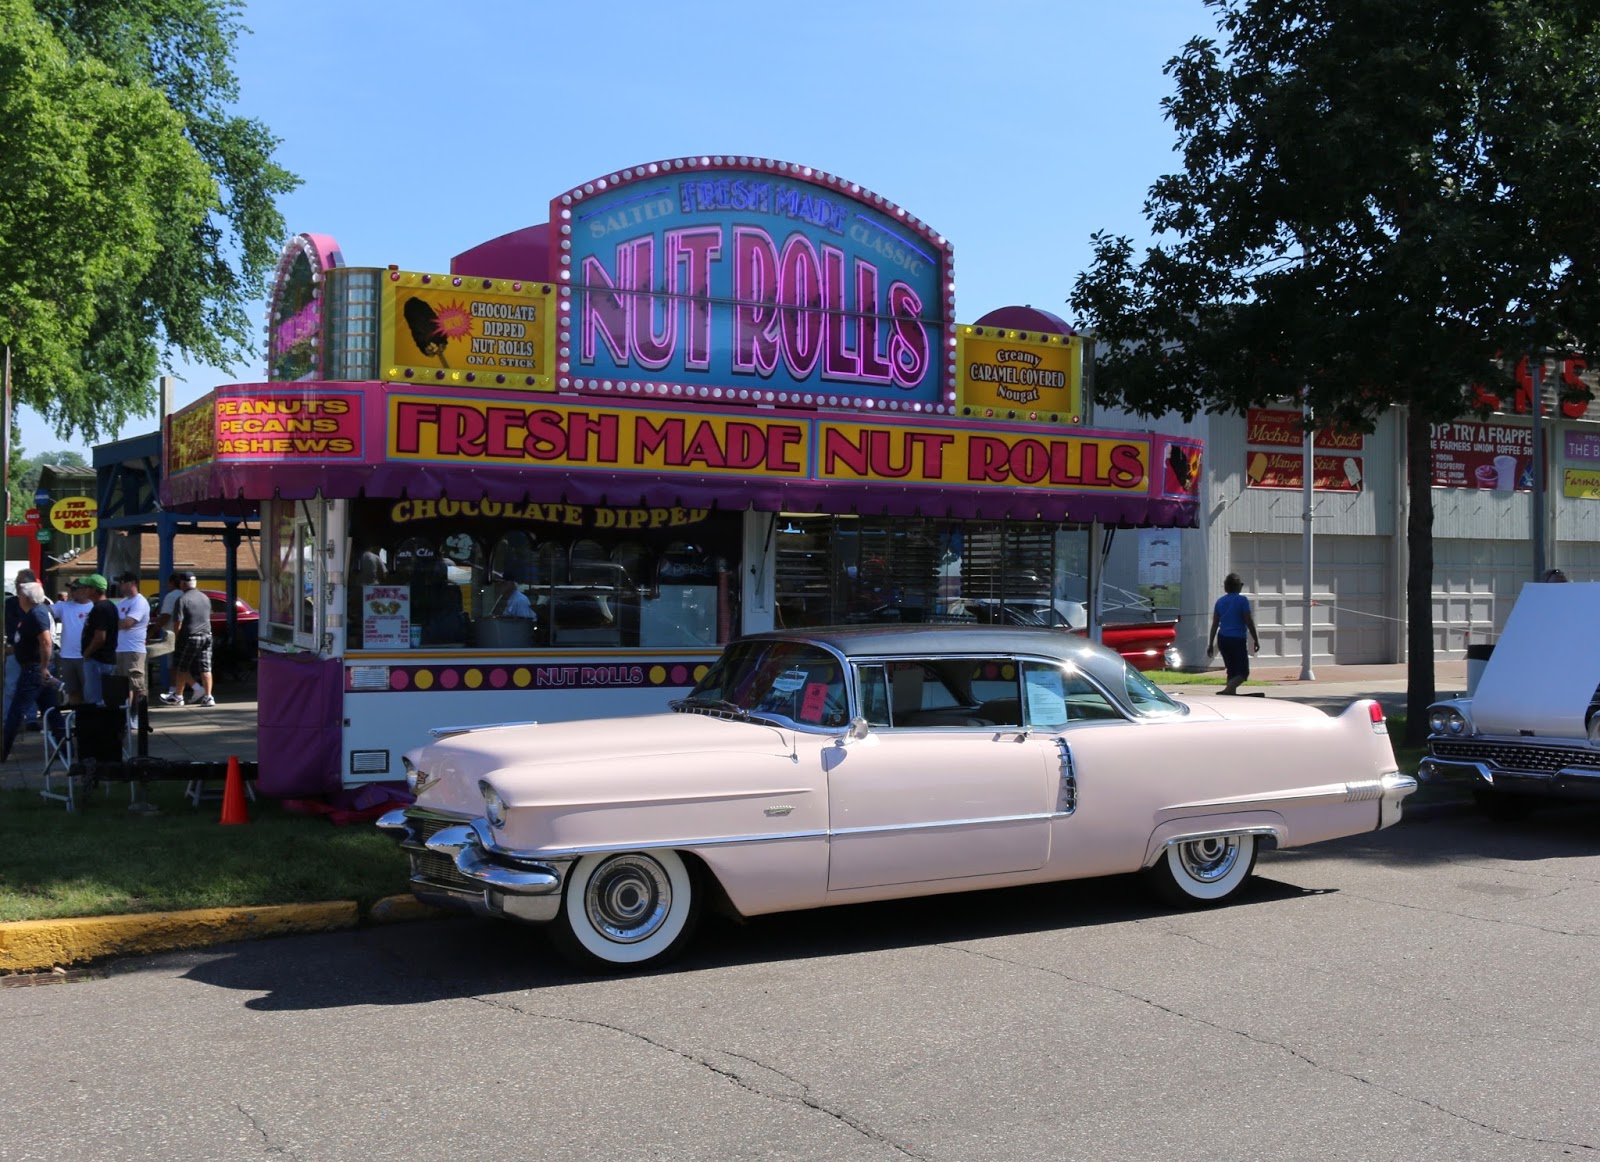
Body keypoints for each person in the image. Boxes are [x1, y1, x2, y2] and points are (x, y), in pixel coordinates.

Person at [2, 582, 54, 761]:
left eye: (20, 595)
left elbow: (46, 641)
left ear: (26, 598)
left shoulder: (37, 614)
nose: (18, 598)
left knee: (16, 712)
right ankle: (64, 749)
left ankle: (3, 750)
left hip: (34, 669)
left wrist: (44, 667)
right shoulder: (31, 614)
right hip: (34, 668)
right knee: (52, 711)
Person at [163, 574, 215, 706]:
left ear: (183, 584)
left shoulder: (182, 599)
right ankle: (208, 697)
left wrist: (176, 638)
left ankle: (178, 696)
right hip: (207, 635)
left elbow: (178, 622)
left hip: (190, 637)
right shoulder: (205, 598)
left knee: (181, 666)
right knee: (206, 667)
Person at [1206, 572, 1260, 696]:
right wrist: (1255, 639)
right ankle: (1228, 690)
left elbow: (1215, 624)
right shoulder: (1242, 600)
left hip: (1223, 639)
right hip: (1237, 639)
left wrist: (1210, 644)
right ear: (1237, 586)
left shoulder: (1220, 601)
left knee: (1231, 670)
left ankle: (1231, 694)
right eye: (1241, 584)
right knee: (1243, 672)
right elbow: (1248, 621)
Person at [3, 568, 41, 731]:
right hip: (14, 650)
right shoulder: (10, 603)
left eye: (20, 582)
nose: (17, 585)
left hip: (32, 652)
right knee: (11, 686)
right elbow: (9, 625)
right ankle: (8, 720)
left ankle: (31, 718)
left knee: (30, 687)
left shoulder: (39, 603)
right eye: (16, 582)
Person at [77, 575, 120, 706]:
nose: (83, 590)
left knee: (95, 700)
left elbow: (100, 637)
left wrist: (87, 653)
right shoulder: (109, 606)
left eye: (86, 587)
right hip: (104, 659)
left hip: (98, 660)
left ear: (94, 590)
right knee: (102, 699)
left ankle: (97, 719)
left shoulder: (101, 608)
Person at [52, 579, 93, 705]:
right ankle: (75, 715)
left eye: (75, 588)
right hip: (67, 657)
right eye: (71, 589)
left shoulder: (94, 607)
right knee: (72, 692)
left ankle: (88, 716)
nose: (72, 591)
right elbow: (45, 611)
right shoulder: (63, 606)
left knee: (89, 693)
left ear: (85, 590)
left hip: (87, 657)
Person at [114, 572, 151, 701]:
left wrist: (112, 623)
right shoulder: (123, 602)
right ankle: (127, 712)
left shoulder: (140, 602)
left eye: (122, 582)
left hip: (133, 649)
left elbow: (127, 623)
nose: (120, 585)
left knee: (135, 685)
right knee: (123, 686)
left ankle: (137, 712)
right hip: (120, 649)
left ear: (133, 583)